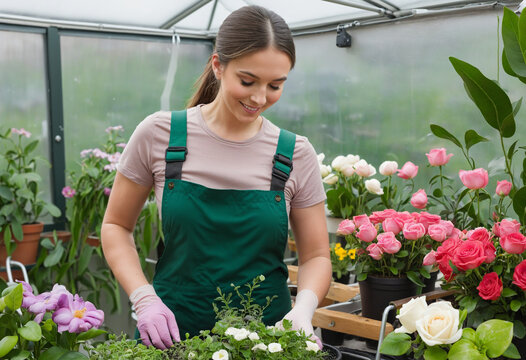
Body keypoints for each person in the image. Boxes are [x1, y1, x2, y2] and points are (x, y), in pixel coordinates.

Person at [101, 5, 331, 350]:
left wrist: (304, 309)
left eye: (275, 85)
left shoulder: (295, 153)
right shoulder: (160, 135)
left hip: (267, 343)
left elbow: (316, 256)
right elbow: (116, 226)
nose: (259, 98)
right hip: (172, 334)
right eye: (248, 81)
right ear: (218, 65)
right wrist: (143, 298)